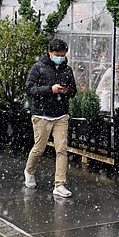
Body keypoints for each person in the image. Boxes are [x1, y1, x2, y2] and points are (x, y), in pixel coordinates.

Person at [24, 38, 77, 198]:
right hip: (41, 115)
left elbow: (73, 91)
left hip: (61, 115)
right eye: (57, 54)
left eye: (62, 54)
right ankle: (29, 170)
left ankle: (60, 184)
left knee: (61, 149)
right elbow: (30, 88)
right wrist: (50, 90)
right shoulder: (38, 68)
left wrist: (66, 91)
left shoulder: (67, 70)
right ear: (50, 52)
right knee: (39, 147)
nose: (60, 57)